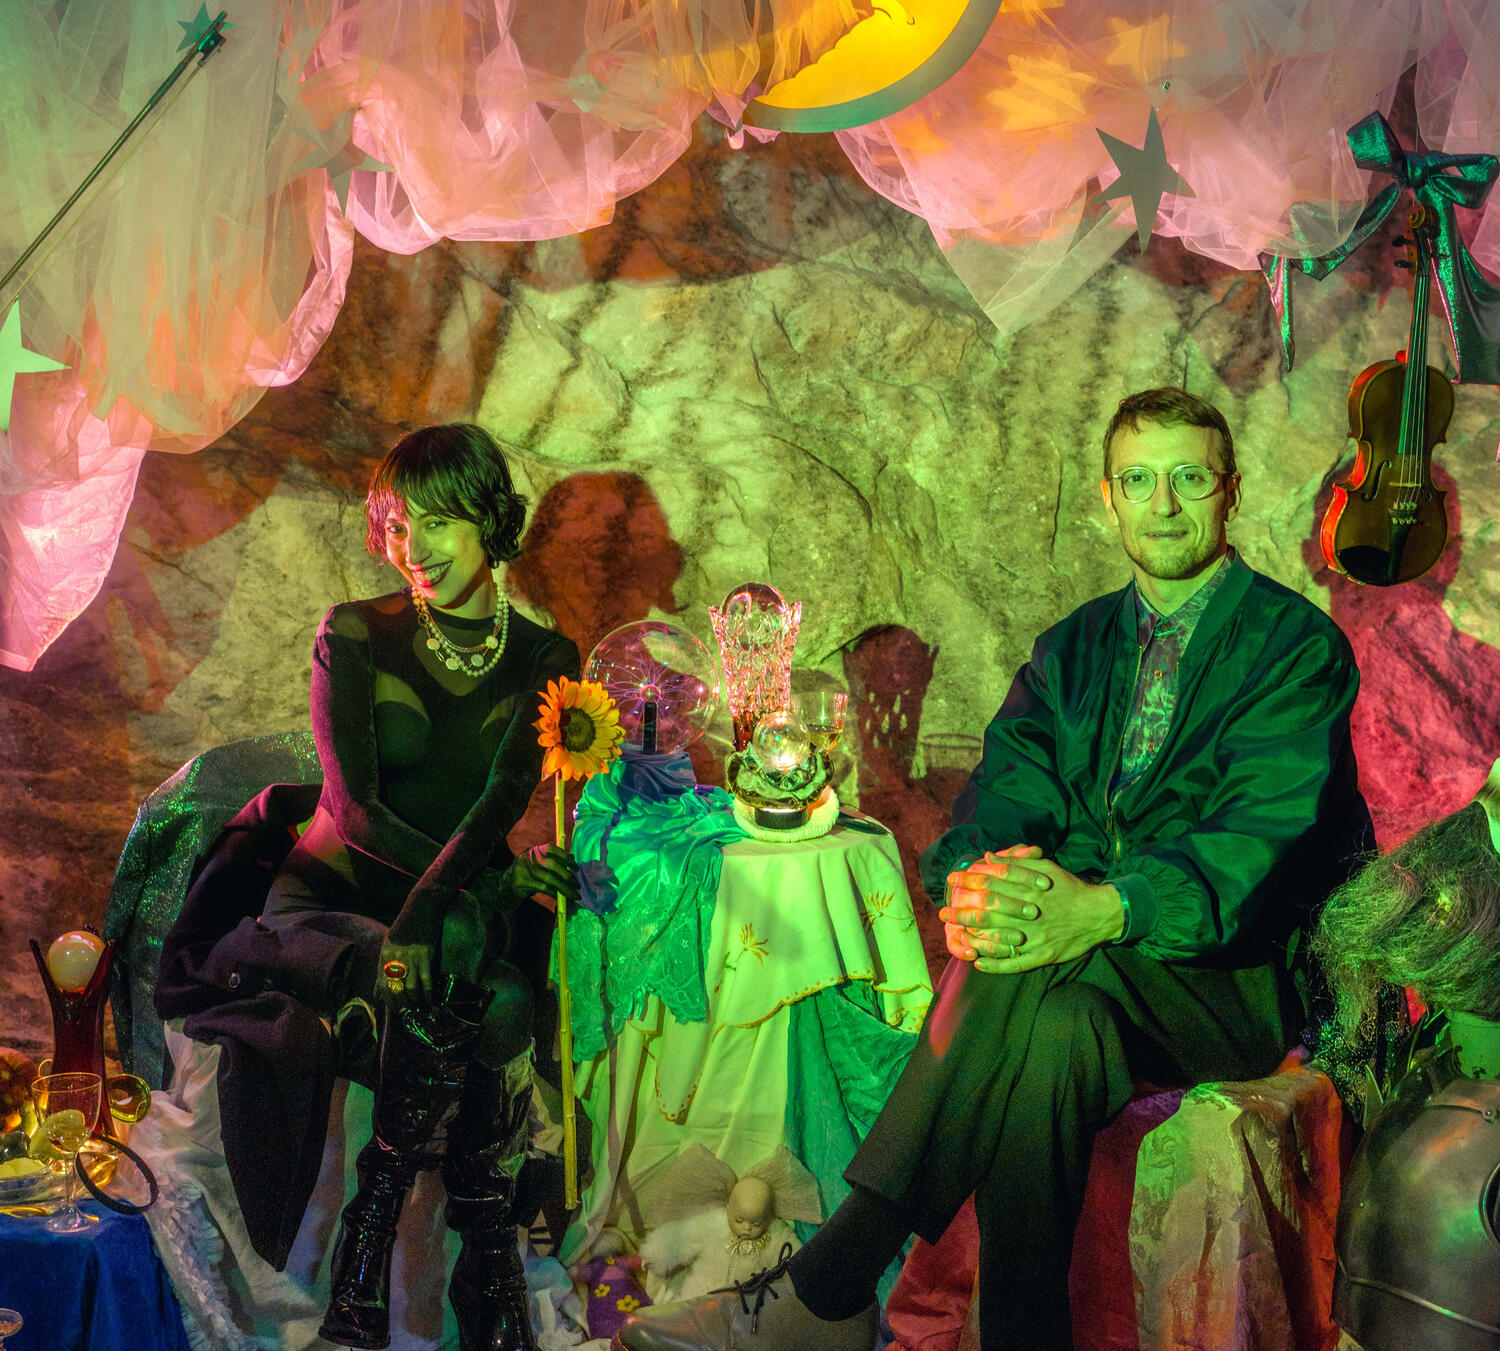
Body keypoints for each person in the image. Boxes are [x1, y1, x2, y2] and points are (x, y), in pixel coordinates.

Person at [615, 388, 1374, 1351]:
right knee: (1054, 1029)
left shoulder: (1296, 648)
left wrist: (1103, 908)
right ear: (1108, 498)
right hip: (1083, 980)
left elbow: (1252, 844)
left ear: (1229, 492)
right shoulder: (1075, 646)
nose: (1165, 503)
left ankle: (834, 1280)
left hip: (1228, 982)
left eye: (1189, 478)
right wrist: (980, 882)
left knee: (1026, 964)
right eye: (1140, 480)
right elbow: (1005, 793)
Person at [265, 423, 580, 1351]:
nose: (414, 548)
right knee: (471, 959)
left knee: (501, 991)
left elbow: (499, 802)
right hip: (333, 899)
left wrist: (466, 892)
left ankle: (400, 1251)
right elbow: (354, 809)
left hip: (443, 910)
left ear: (489, 518)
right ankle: (475, 1272)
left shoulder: (546, 658)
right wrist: (472, 892)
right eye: (400, 525)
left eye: (438, 522)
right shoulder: (354, 630)